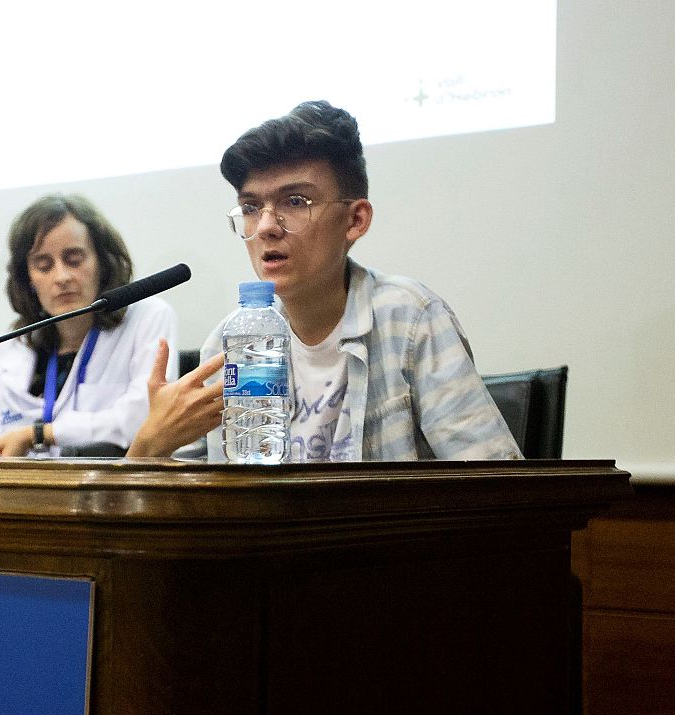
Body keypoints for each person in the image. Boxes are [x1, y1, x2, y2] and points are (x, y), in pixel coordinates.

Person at [130, 100, 520, 461]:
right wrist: (151, 443)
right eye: (251, 207)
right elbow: (198, 515)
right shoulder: (230, 344)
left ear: (355, 220)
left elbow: (499, 487)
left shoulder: (410, 319)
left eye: (295, 202)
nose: (265, 226)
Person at [0, 194, 178, 457]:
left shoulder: (148, 318)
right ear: (28, 278)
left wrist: (39, 435)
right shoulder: (11, 348)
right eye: (44, 265)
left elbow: (144, 420)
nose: (62, 277)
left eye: (74, 260)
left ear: (102, 262)